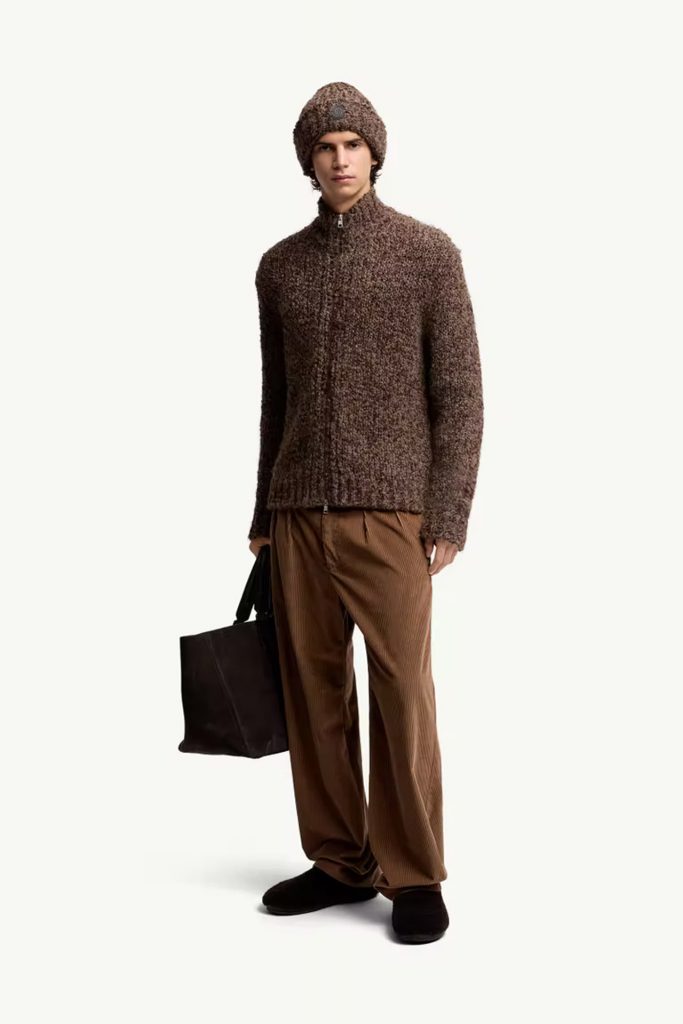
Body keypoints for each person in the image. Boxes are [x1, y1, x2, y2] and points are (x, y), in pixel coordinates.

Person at [247, 81, 484, 943]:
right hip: (296, 513)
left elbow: (459, 393)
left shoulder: (426, 252)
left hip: (392, 514)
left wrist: (447, 511)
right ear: (307, 163)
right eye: (324, 146)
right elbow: (275, 400)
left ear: (374, 154)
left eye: (352, 144)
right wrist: (263, 511)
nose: (339, 158)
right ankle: (339, 861)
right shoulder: (279, 266)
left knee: (401, 693)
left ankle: (414, 872)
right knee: (313, 694)